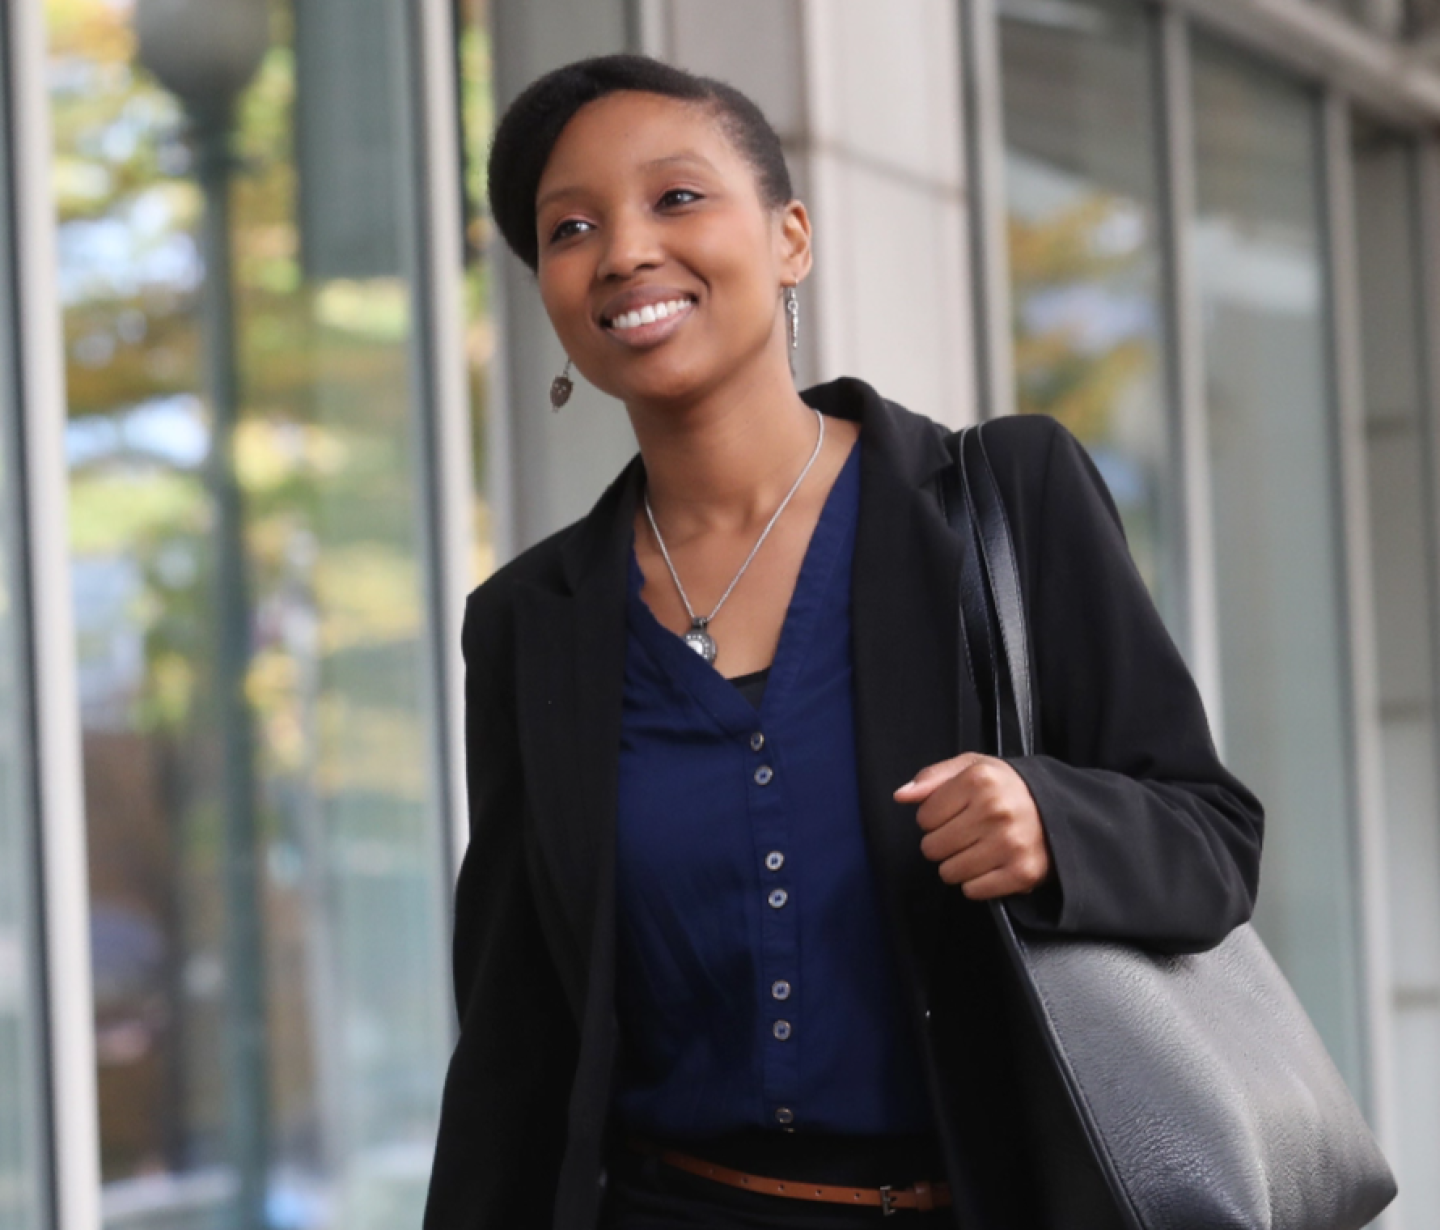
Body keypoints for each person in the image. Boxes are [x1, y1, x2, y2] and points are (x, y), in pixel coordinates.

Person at [423, 53, 1263, 1230]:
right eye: (570, 229)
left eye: (677, 198)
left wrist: (1052, 823)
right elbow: (516, 1043)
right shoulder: (529, 625)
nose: (622, 251)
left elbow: (1214, 839)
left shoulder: (1005, 500)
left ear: (790, 239)